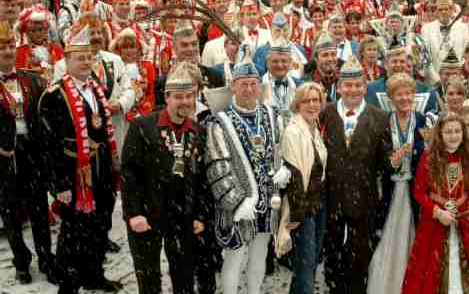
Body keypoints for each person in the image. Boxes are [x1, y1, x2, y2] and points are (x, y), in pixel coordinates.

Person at [39, 23, 122, 294]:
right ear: (67, 60)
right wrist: (59, 184)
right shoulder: (55, 95)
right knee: (74, 232)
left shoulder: (95, 86)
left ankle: (94, 273)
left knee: (101, 224)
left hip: (100, 170)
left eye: (89, 57)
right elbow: (49, 146)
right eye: (79, 57)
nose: (86, 62)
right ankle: (69, 283)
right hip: (73, 172)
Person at [122, 61, 208, 294]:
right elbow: (129, 173)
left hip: (182, 215)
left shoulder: (198, 131)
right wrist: (134, 213)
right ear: (167, 97)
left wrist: (199, 214)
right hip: (147, 212)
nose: (185, 102)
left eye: (190, 96)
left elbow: (201, 179)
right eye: (179, 96)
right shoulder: (143, 126)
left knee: (184, 278)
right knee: (149, 280)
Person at [205, 52, 285, 294]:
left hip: (268, 200)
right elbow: (218, 168)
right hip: (238, 203)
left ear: (260, 86)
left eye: (253, 84)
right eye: (243, 84)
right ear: (233, 86)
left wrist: (282, 169)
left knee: (260, 254)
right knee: (234, 258)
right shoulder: (219, 122)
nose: (249, 89)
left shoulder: (272, 115)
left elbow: (280, 150)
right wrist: (238, 202)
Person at [320, 56, 391, 294]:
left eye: (358, 85)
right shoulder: (324, 114)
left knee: (360, 256)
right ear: (339, 86)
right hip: (331, 199)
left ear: (365, 86)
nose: (353, 90)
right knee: (332, 256)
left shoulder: (380, 118)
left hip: (364, 199)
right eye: (348, 85)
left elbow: (384, 164)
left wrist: (395, 161)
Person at [401, 113, 469, 293]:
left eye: (457, 131)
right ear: (440, 134)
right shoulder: (429, 157)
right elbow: (419, 192)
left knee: (468, 266)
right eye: (448, 132)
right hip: (434, 223)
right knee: (430, 269)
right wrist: (437, 212)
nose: (453, 136)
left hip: (463, 223)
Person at [0, 21, 56, 284]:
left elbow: (48, 116)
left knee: (38, 209)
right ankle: (21, 260)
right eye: (1, 47)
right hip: (4, 156)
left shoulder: (32, 79)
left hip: (32, 152)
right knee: (10, 211)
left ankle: (46, 257)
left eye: (10, 45)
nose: (7, 51)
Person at [367, 72, 427, 294]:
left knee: (413, 241)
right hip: (390, 191)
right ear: (391, 98)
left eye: (408, 93)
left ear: (414, 94)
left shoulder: (423, 121)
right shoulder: (383, 122)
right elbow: (376, 159)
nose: (404, 98)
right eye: (399, 94)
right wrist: (391, 161)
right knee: (387, 241)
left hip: (414, 192)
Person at [275, 82, 327, 294]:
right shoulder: (293, 131)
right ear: (298, 104)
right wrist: (296, 216)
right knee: (305, 271)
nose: (312, 105)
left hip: (317, 206)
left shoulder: (313, 128)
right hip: (302, 211)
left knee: (307, 267)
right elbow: (294, 176)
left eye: (316, 100)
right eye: (307, 100)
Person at [421, 0, 469, 72]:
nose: (443, 12)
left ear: (451, 10)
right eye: (440, 9)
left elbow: (467, 54)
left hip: (458, 75)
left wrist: (460, 73)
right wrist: (435, 79)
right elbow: (425, 57)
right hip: (435, 78)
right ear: (436, 11)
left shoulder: (463, 28)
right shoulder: (426, 29)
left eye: (446, 9)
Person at [304, 31, 339, 102]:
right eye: (325, 55)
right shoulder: (307, 83)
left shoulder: (344, 80)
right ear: (316, 59)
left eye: (333, 54)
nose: (330, 59)